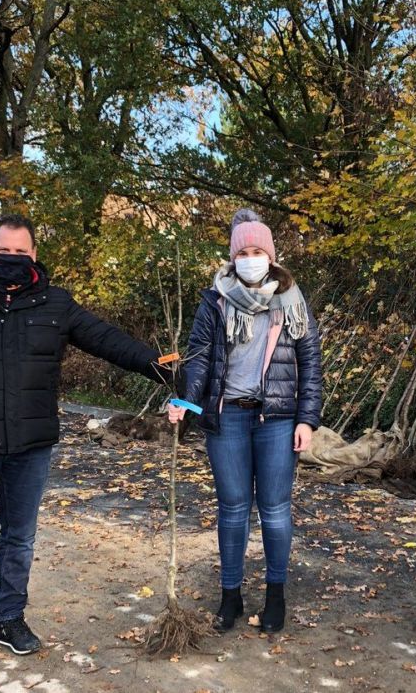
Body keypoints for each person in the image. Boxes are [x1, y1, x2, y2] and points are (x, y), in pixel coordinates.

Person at [0, 213, 176, 693]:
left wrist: (163, 367)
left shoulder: (55, 303)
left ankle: (9, 617)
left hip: (31, 448)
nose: (12, 260)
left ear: (34, 256)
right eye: (4, 252)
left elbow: (108, 340)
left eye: (21, 253)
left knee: (19, 540)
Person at [168, 209, 322, 633]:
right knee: (233, 510)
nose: (251, 258)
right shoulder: (214, 300)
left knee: (274, 511)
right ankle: (230, 597)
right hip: (228, 418)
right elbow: (199, 357)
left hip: (277, 419)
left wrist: (307, 419)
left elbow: (310, 364)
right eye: (244, 251)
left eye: (259, 251)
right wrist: (185, 397)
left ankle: (275, 598)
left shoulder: (292, 301)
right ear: (233, 257)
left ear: (270, 256)